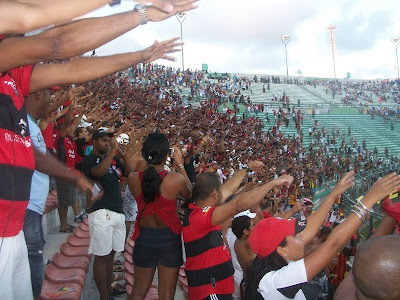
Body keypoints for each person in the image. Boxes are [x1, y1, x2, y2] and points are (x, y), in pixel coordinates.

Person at [245, 172, 400, 300]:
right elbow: (333, 244)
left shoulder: (272, 259)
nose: (302, 237)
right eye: (295, 236)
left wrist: (333, 195)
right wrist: (369, 199)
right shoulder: (276, 283)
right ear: (281, 250)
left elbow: (308, 230)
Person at [182, 165, 293, 300]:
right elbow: (236, 205)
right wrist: (273, 183)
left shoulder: (201, 211)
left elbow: (228, 189)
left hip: (216, 289)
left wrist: (246, 169)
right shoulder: (199, 217)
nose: (223, 193)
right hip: (209, 290)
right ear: (215, 194)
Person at [23, 88, 94, 298]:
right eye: (48, 95)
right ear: (36, 95)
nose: (51, 101)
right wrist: (75, 177)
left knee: (34, 256)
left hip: (33, 205)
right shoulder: (22, 122)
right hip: (25, 206)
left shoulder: (32, 124)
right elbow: (39, 158)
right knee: (32, 259)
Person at [127, 133, 192, 300]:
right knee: (167, 294)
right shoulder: (175, 179)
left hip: (144, 237)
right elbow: (190, 194)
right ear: (166, 155)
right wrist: (180, 165)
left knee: (138, 291)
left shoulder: (133, 179)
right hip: (169, 238)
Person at [82, 128, 134, 300]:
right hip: (101, 212)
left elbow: (130, 172)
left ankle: (108, 289)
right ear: (94, 142)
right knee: (102, 255)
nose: (107, 143)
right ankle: (103, 296)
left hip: (116, 211)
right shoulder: (90, 160)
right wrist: (112, 151)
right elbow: (98, 172)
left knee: (111, 254)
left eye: (108, 141)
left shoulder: (112, 159)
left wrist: (124, 154)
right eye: (104, 140)